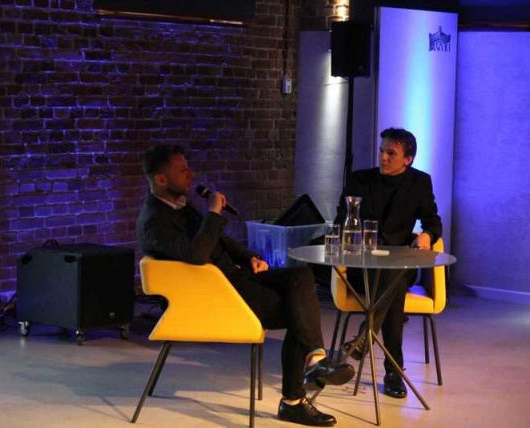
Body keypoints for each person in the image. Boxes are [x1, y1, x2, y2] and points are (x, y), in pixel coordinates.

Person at [136, 144, 354, 427]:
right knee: (297, 309)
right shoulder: (154, 222)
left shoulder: (179, 205)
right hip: (215, 296)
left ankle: (316, 359)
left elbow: (219, 241)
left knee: (301, 276)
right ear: (161, 179)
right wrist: (214, 213)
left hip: (234, 281)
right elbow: (197, 254)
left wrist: (250, 257)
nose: (191, 174)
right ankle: (294, 400)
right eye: (182, 170)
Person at [334, 127, 442, 399]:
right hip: (362, 268)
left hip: (400, 266)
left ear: (408, 159)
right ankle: (393, 370)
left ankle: (365, 338)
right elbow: (340, 221)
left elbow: (433, 221)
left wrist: (427, 235)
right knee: (393, 289)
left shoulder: (420, 182)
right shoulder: (359, 180)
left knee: (394, 276)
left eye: (391, 153)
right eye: (382, 151)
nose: (383, 157)